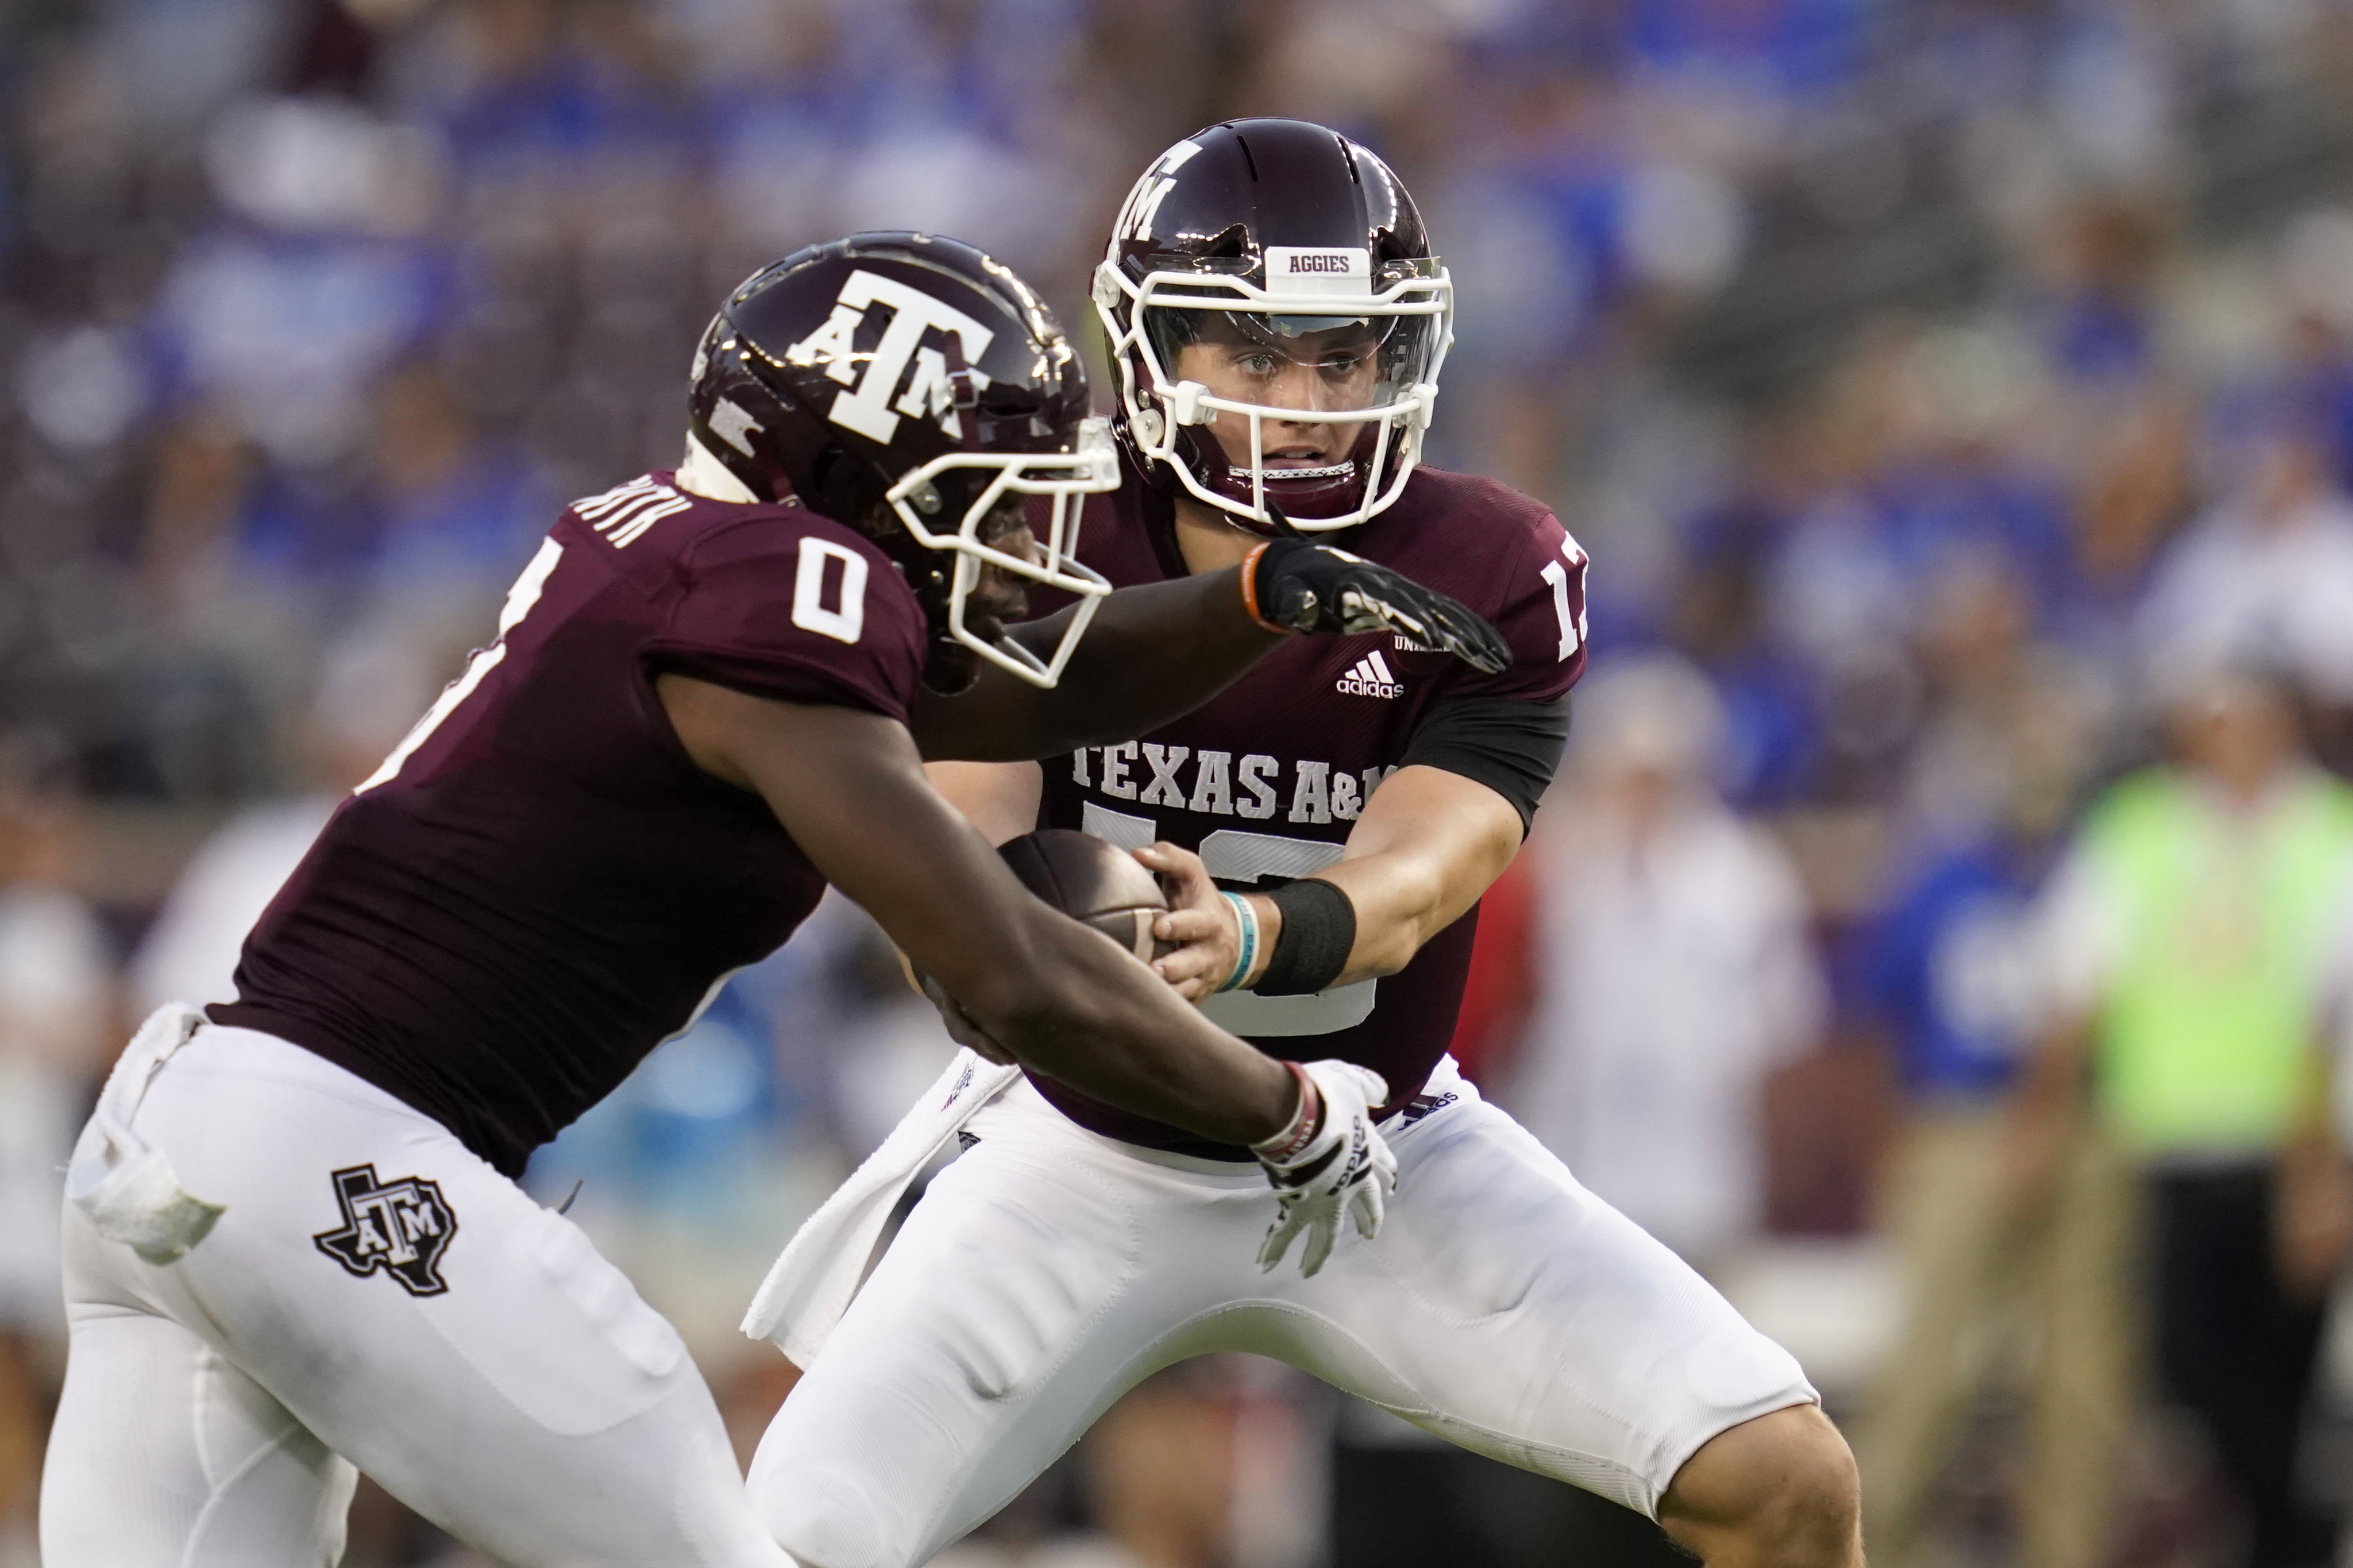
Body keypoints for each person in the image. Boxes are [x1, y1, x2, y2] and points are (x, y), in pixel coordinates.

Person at [38, 231, 1505, 1568]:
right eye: (988, 497)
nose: (1024, 549)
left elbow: (1009, 689)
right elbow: (1007, 971)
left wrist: (1257, 601)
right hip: (340, 1161)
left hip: (186, 1130)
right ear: (865, 473)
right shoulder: (785, 592)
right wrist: (1285, 1111)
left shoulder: (693, 556)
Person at [746, 123, 1861, 1568]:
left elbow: (1429, 867)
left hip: (1381, 1155)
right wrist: (1020, 924)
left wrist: (1260, 930)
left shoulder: (1489, 567)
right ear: (1151, 356)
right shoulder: (1044, 525)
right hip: (1080, 1155)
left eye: (1337, 359)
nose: (1305, 404)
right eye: (1255, 357)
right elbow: (956, 834)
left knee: (1787, 1481)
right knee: (777, 1545)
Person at [2015, 666, 2353, 1568]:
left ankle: (2281, 1534)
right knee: (2186, 1359)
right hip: (2168, 1142)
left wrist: (2319, 1169)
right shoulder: (2145, 829)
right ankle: (2286, 1528)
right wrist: (2042, 1119)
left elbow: (2331, 1008)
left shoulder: (2327, 829)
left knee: (2285, 1368)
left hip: (2284, 1146)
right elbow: (2076, 979)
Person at [1506, 653, 1827, 1275]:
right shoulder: (1555, 868)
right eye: (1626, 775)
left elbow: (1787, 1022)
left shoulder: (1742, 876)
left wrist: (1780, 1148)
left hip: (1702, 1155)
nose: (1639, 794)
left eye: (1656, 776)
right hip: (1573, 1145)